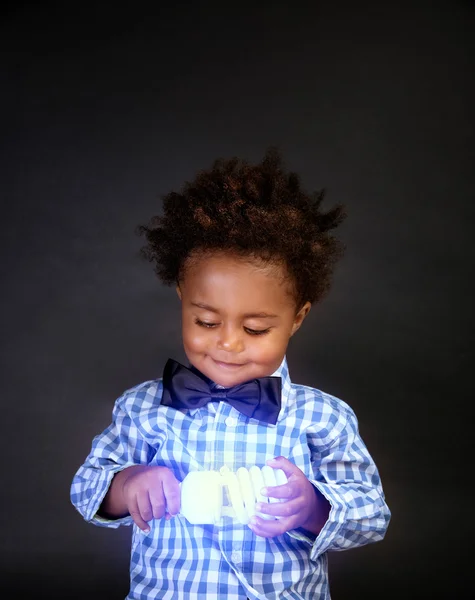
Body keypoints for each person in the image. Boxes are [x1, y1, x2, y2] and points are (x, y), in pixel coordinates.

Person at [70, 147, 391, 600]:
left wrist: (314, 506)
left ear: (297, 317)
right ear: (182, 297)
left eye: (256, 328)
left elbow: (372, 515)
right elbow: (86, 487)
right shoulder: (141, 407)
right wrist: (126, 485)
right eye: (206, 322)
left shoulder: (325, 418)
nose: (229, 343)